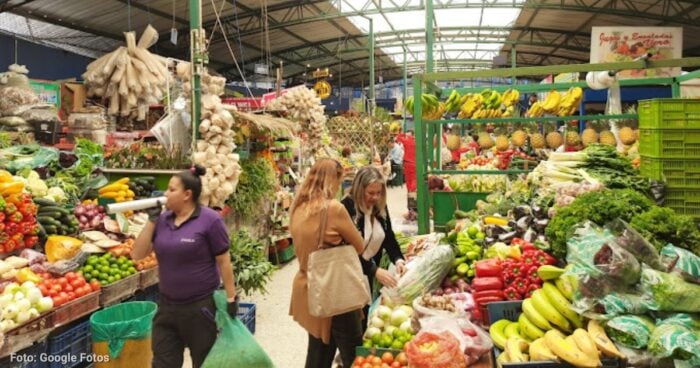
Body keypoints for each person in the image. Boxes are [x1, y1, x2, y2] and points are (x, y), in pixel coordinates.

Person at [131, 165, 237, 368]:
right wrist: (151, 221)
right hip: (167, 307)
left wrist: (231, 298)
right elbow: (137, 254)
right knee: (163, 362)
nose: (165, 194)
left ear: (187, 194)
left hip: (200, 308)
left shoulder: (210, 220)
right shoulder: (162, 220)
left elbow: (224, 261)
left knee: (204, 362)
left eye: (171, 189)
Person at [289, 158, 366, 368]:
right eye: (339, 182)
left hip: (309, 288)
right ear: (333, 181)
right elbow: (360, 246)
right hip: (334, 287)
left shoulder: (297, 207)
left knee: (319, 349)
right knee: (352, 351)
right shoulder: (333, 208)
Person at [341, 166, 406, 332]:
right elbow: (346, 250)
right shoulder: (346, 208)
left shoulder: (379, 207)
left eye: (378, 193)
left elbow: (388, 236)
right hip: (348, 276)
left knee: (364, 317)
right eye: (370, 193)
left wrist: (398, 259)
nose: (375, 197)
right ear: (359, 189)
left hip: (367, 275)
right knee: (352, 325)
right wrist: (374, 270)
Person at [396, 130, 417, 218]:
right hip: (415, 166)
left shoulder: (407, 140)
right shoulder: (417, 142)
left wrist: (403, 133)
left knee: (410, 189)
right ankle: (413, 211)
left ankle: (411, 211)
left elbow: (398, 137)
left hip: (408, 165)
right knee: (413, 188)